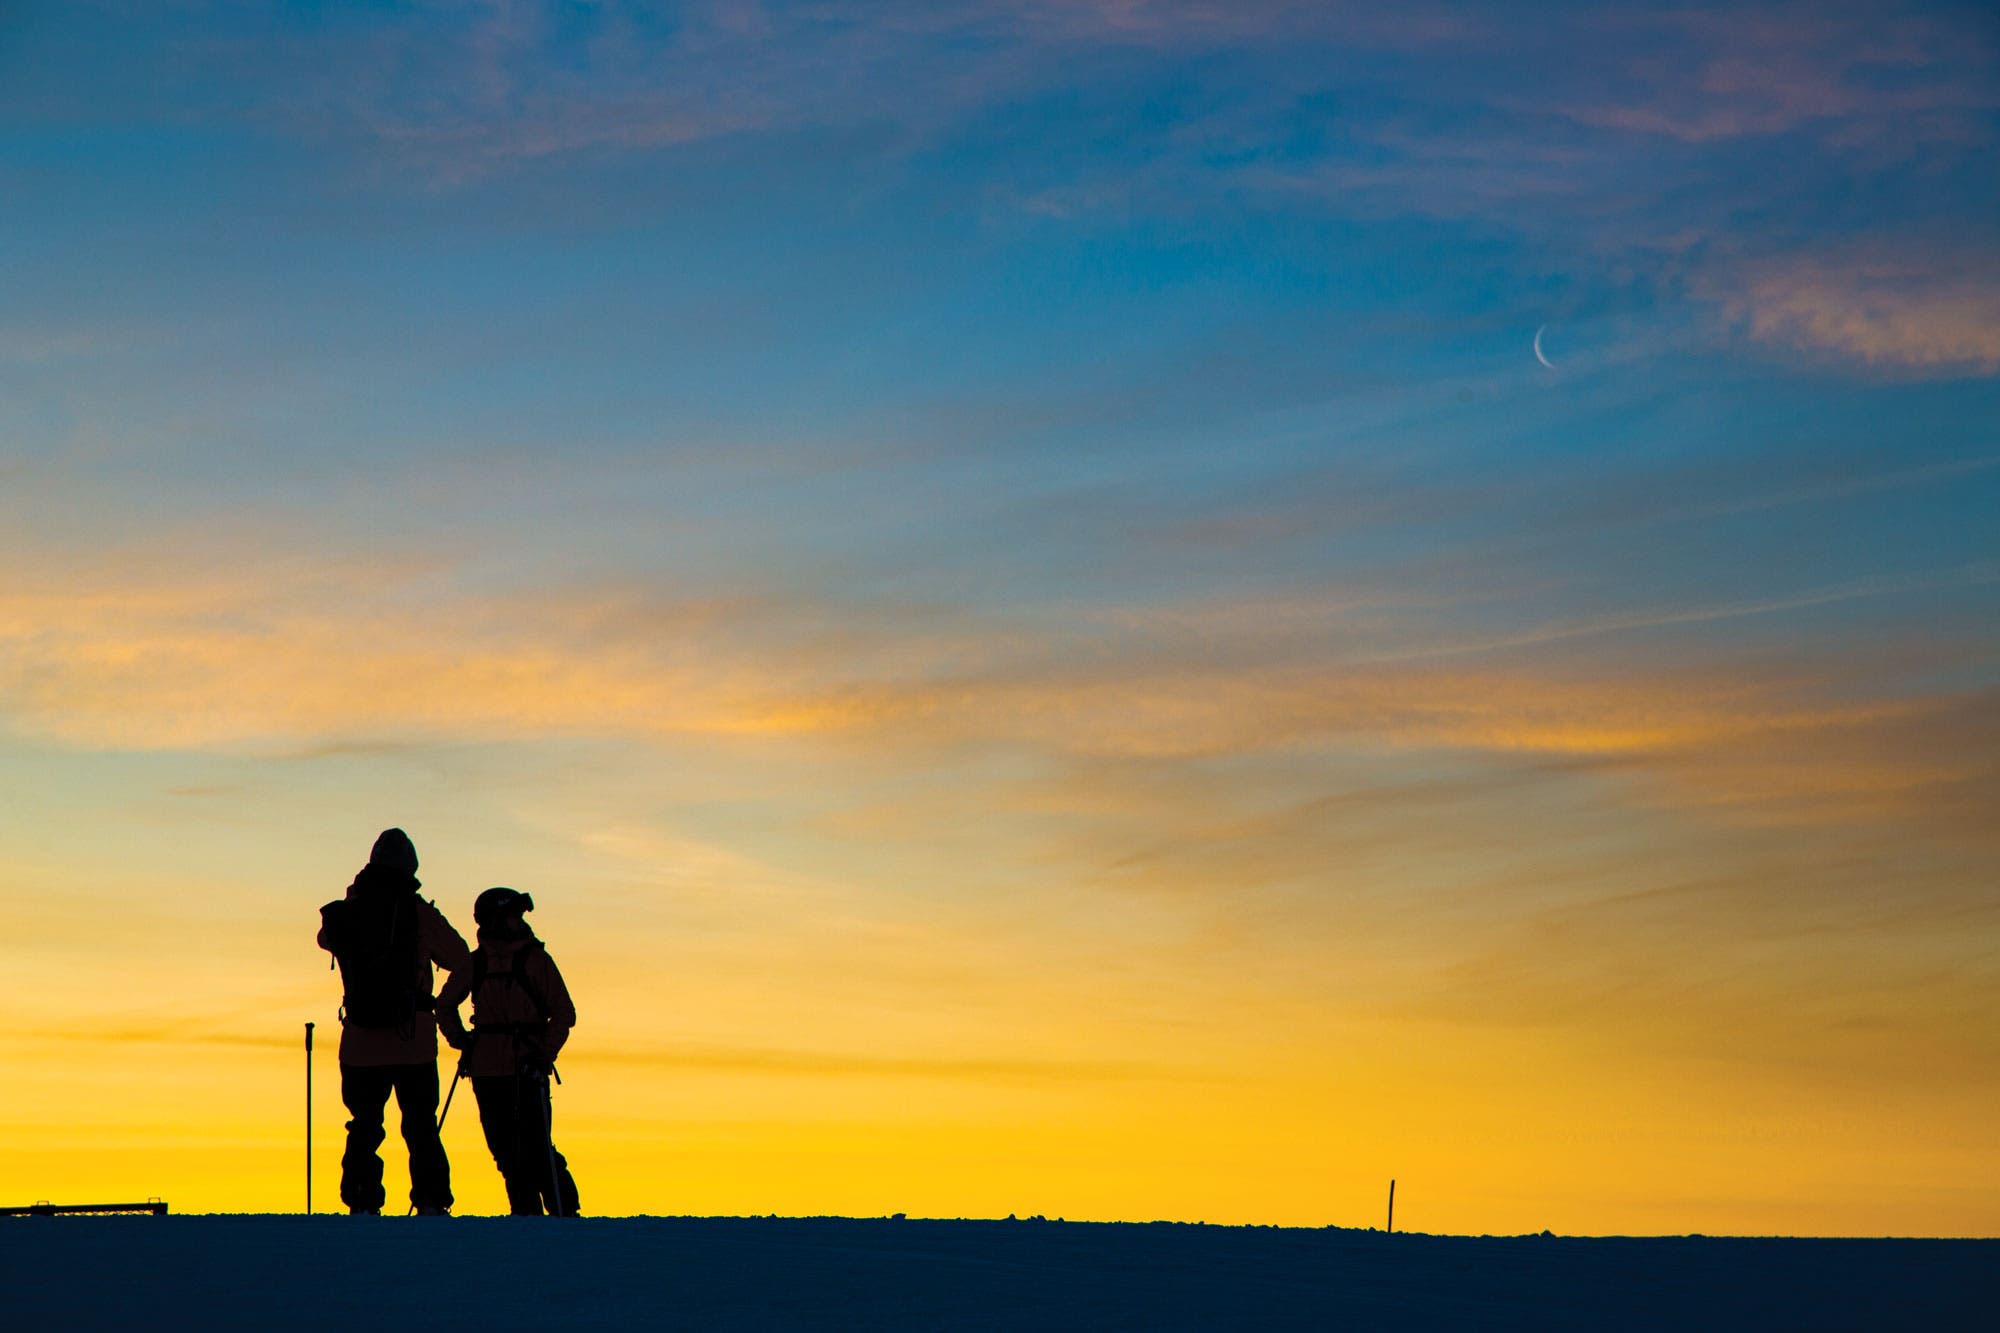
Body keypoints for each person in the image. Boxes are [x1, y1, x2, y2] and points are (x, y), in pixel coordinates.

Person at [316, 828, 471, 1216]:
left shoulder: (349, 910)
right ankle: (432, 1201)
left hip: (359, 1041)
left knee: (364, 1124)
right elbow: (461, 957)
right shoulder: (417, 912)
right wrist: (442, 1004)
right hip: (412, 1039)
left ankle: (362, 1200)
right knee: (420, 1125)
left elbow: (325, 939)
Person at [435, 887, 581, 1217]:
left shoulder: (530, 960)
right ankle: (529, 1216)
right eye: (508, 916)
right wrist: (462, 1040)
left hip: (521, 1066)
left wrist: (544, 1053)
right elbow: (444, 1006)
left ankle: (563, 1214)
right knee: (506, 1151)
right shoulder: (481, 962)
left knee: (536, 1147)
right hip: (491, 1070)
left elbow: (563, 1012)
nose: (512, 923)